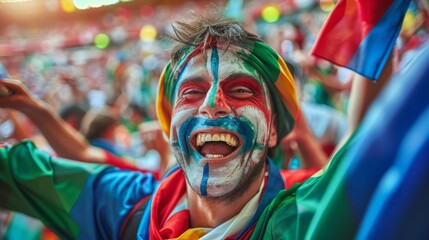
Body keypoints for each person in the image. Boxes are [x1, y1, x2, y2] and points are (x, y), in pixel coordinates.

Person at [0, 10, 321, 239]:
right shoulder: (126, 206)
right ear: (171, 128)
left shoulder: (315, 211)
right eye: (191, 92)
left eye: (240, 89)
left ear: (274, 128)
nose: (211, 105)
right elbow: (14, 174)